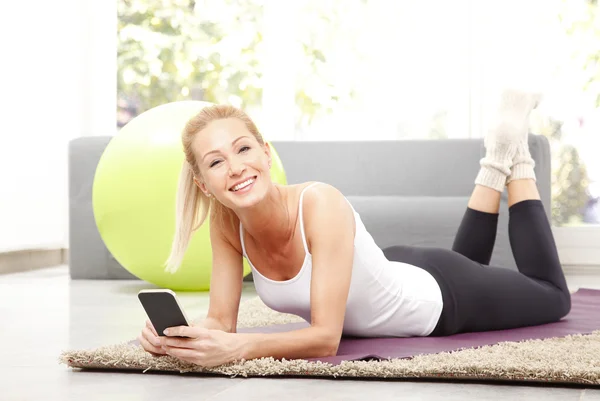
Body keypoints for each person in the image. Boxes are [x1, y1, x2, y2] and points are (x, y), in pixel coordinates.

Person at [138, 90, 571, 368]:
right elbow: (221, 322)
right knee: (472, 261)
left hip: (443, 296)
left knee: (553, 296)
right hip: (389, 266)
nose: (235, 168)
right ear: (203, 184)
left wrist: (240, 349)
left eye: (243, 149)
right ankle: (496, 158)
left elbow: (326, 339)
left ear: (266, 153)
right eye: (215, 162)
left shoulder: (319, 201)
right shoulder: (226, 222)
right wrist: (180, 336)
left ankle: (513, 157)